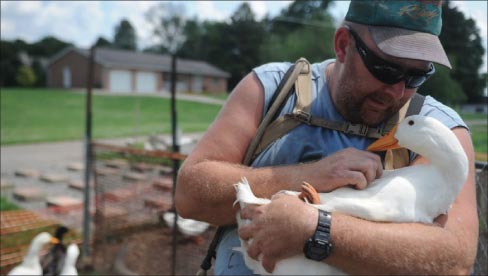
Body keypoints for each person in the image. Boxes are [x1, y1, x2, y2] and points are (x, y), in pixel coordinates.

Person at [175, 0, 479, 275]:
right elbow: (189, 196)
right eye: (385, 69)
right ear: (343, 45)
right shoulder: (271, 91)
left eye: (417, 76)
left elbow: (452, 259)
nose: (397, 91)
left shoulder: (439, 128)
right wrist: (307, 176)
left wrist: (317, 230)